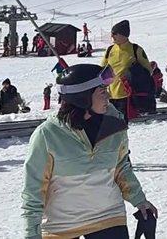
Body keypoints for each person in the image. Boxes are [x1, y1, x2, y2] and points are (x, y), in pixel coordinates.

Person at [23, 63, 157, 238]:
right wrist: (31, 234)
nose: (108, 95)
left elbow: (121, 167)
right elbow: (33, 190)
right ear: (82, 97)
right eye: (102, 91)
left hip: (108, 216)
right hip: (62, 225)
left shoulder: (113, 124)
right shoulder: (48, 135)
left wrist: (140, 200)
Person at [100, 20, 151, 122]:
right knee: (111, 124)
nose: (112, 36)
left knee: (122, 124)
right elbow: (102, 70)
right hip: (110, 95)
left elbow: (147, 71)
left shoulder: (136, 49)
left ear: (123, 34)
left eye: (115, 33)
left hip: (128, 95)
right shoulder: (110, 50)